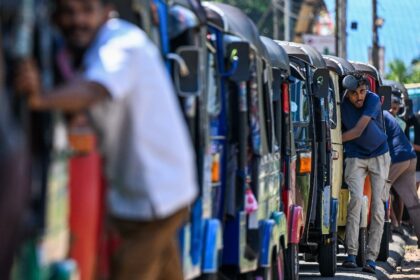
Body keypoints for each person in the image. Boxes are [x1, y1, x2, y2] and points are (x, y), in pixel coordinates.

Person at [15, 0, 198, 279]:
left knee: (128, 271)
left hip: (155, 195)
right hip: (145, 193)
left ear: (106, 11)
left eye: (87, 10)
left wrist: (41, 99)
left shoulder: (122, 44)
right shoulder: (91, 51)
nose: (78, 20)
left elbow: (94, 89)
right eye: (68, 12)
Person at [340, 73, 391, 274]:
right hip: (355, 156)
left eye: (362, 91)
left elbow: (359, 130)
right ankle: (351, 254)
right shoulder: (341, 104)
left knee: (378, 207)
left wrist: (334, 141)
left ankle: (371, 259)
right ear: (347, 93)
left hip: (380, 154)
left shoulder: (373, 99)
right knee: (355, 202)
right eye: (354, 93)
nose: (359, 97)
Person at [383, 110, 420, 248]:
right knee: (413, 202)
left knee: (381, 189)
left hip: (398, 159)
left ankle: (394, 224)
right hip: (410, 157)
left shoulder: (373, 112)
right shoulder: (388, 115)